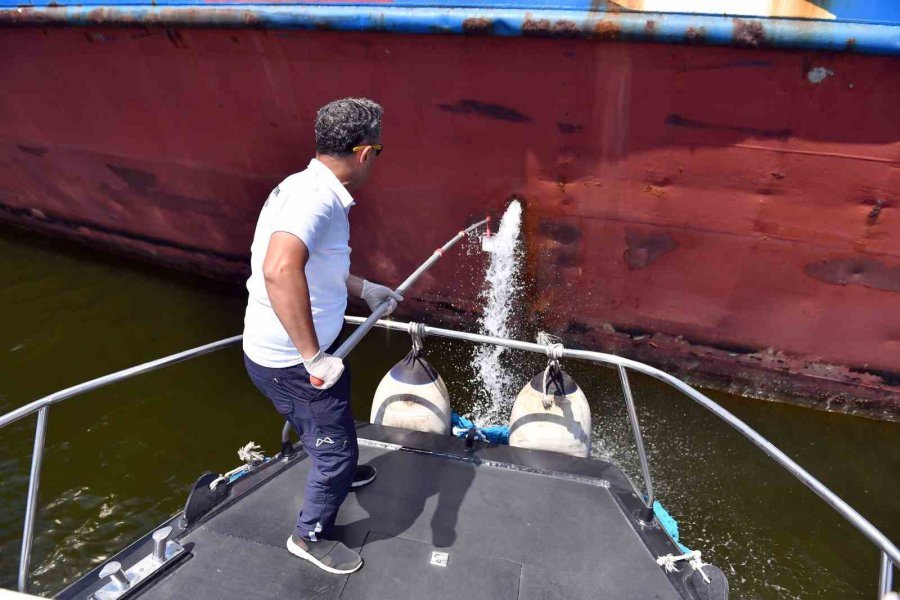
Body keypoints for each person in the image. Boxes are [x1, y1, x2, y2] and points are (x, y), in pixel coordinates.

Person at [242, 98, 402, 575]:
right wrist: (312, 357)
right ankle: (309, 536)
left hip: (297, 355)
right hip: (293, 363)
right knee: (335, 449)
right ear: (366, 153)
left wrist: (364, 288)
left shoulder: (304, 186)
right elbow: (278, 269)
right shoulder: (317, 199)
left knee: (331, 423)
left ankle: (339, 466)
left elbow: (314, 266)